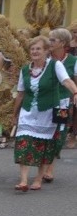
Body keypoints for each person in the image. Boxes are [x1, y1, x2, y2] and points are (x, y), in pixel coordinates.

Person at [12, 35, 77, 191]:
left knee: (44, 145)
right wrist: (14, 114)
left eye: (38, 48)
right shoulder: (25, 70)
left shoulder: (55, 66)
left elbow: (67, 81)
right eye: (32, 49)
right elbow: (20, 94)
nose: (35, 51)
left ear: (47, 51)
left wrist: (75, 92)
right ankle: (23, 180)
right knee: (23, 142)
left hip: (49, 111)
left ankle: (39, 179)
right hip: (28, 112)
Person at [45, 27, 77, 178]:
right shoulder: (44, 59)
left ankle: (50, 166)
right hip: (44, 103)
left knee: (58, 134)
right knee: (43, 133)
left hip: (63, 103)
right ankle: (45, 166)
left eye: (53, 40)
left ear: (63, 43)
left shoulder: (73, 61)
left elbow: (74, 83)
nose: (49, 42)